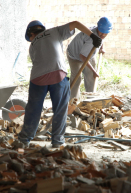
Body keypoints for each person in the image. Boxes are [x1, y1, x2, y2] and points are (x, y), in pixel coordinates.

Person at [18, 20, 101, 148]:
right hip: (58, 74)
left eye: (29, 38)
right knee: (60, 109)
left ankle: (24, 139)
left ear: (31, 34)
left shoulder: (32, 46)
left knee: (33, 109)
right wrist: (92, 35)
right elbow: (76, 23)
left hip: (38, 77)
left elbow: (40, 63)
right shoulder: (54, 31)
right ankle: (57, 140)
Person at [67, 17, 113, 100]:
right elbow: (82, 57)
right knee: (77, 78)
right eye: (101, 32)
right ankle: (72, 102)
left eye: (105, 33)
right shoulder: (91, 39)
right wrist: (94, 71)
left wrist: (101, 48)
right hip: (75, 56)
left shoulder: (99, 32)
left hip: (88, 54)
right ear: (98, 28)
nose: (103, 35)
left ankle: (91, 100)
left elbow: (101, 39)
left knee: (91, 76)